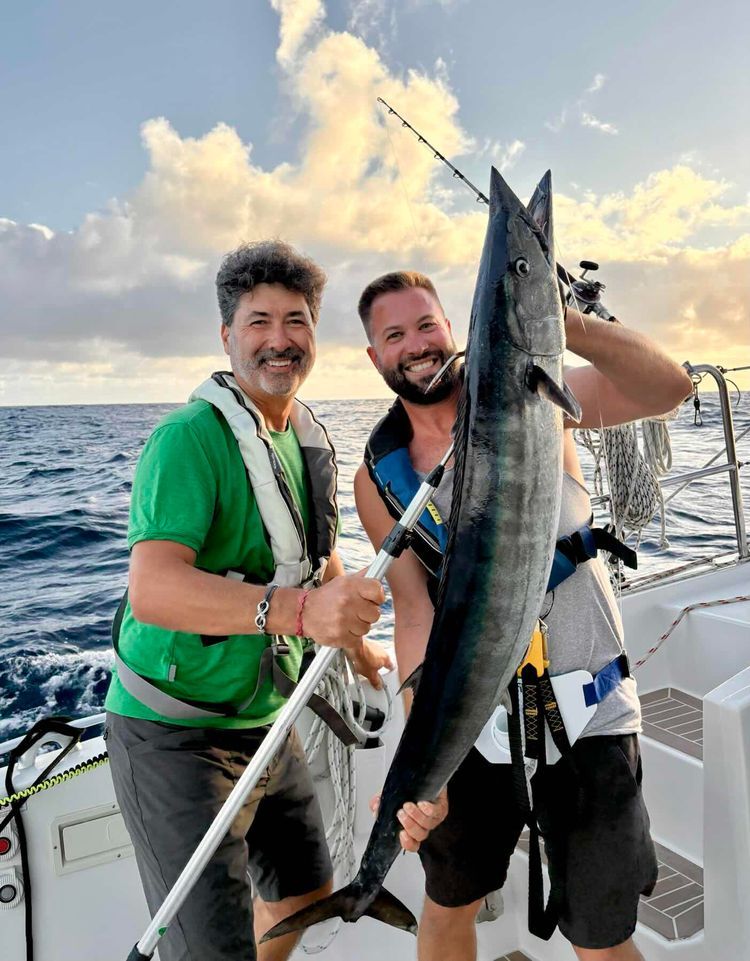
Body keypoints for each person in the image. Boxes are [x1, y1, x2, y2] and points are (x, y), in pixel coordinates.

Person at [104, 243, 442, 961]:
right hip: (174, 732)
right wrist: (296, 615)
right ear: (227, 336)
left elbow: (315, 557)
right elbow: (153, 588)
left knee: (298, 895)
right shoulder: (187, 440)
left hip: (267, 719)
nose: (279, 339)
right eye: (259, 321)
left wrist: (355, 642)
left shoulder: (302, 436)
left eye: (296, 320)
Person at [354, 271, 694, 961]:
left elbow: (671, 389)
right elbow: (413, 610)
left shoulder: (536, 397)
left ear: (453, 328)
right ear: (374, 356)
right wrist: (428, 756)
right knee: (448, 905)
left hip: (588, 711)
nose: (415, 346)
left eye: (426, 325)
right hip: (471, 725)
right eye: (394, 335)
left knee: (602, 936)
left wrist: (562, 323)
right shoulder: (377, 477)